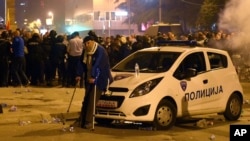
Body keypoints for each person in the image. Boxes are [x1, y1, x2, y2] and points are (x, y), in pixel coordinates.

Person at [75, 35, 113, 129]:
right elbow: (81, 63)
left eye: (88, 43)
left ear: (93, 42)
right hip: (89, 78)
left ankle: (88, 121)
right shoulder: (86, 51)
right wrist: (78, 74)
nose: (87, 45)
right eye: (85, 43)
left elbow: (98, 65)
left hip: (99, 78)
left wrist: (93, 76)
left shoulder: (100, 51)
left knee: (92, 100)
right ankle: (81, 120)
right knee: (86, 99)